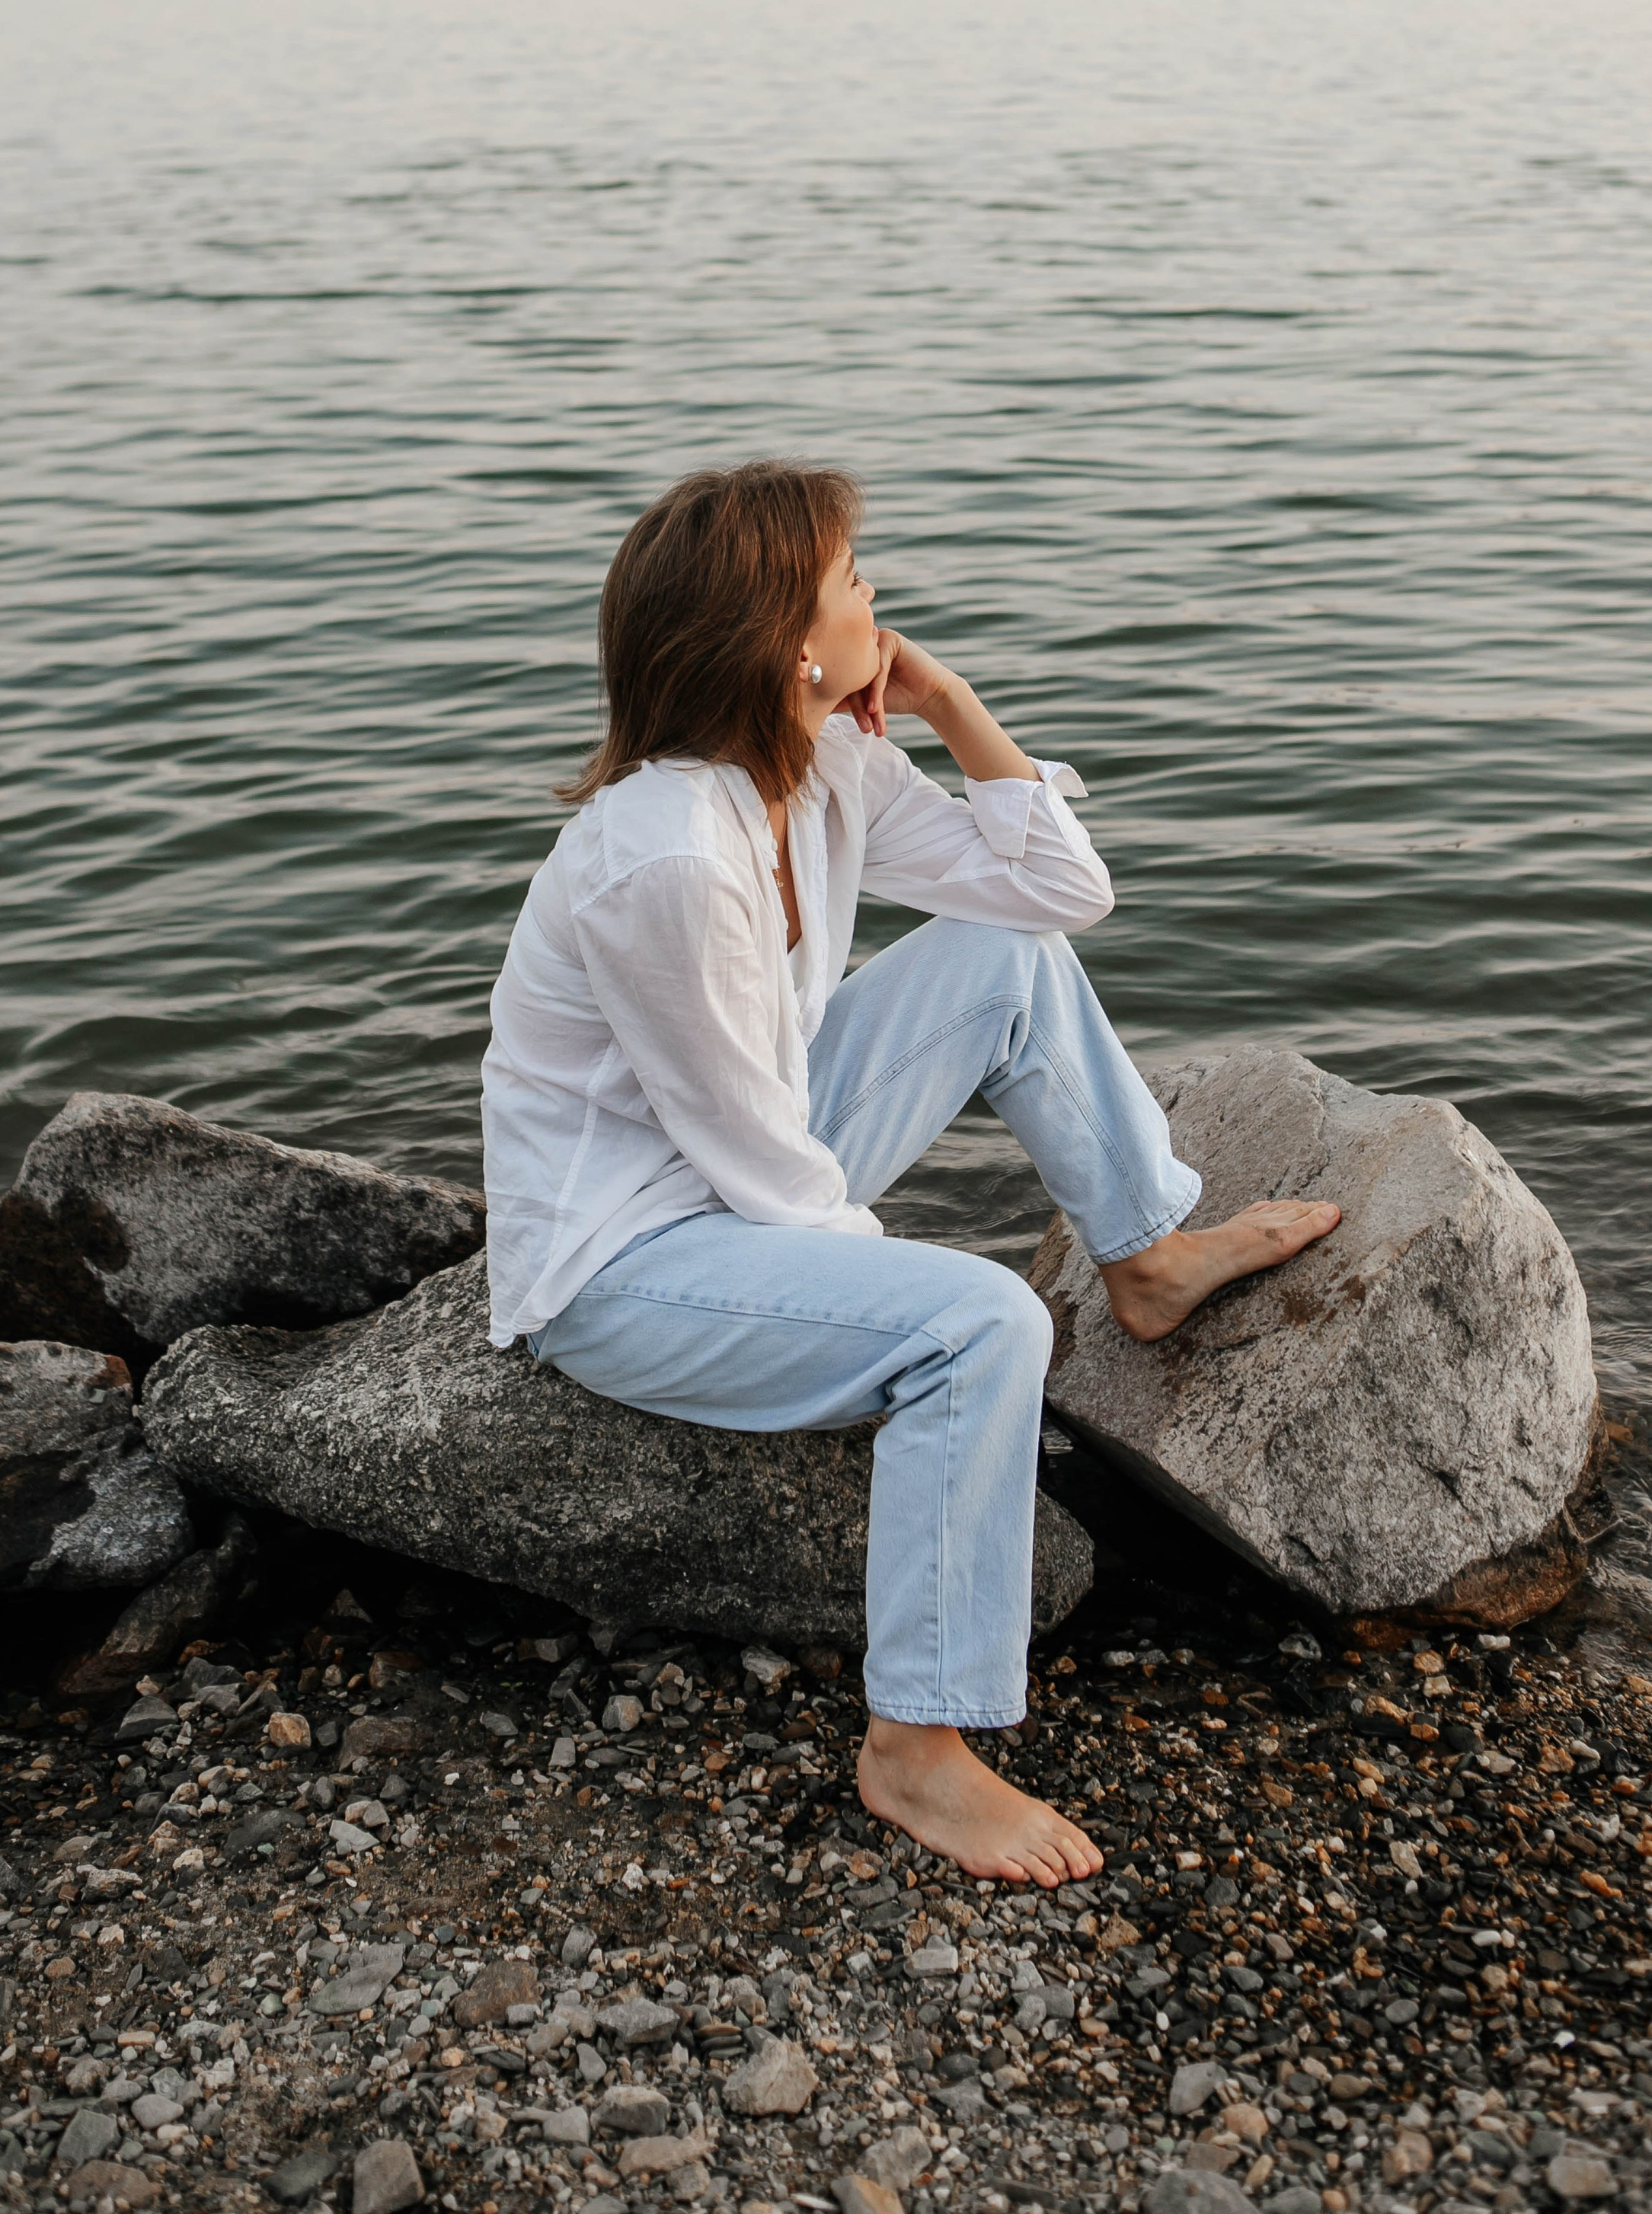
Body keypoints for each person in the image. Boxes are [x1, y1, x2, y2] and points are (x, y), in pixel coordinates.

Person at [481, 463, 1338, 1883]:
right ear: (790, 649)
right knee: (980, 1321)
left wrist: (943, 702)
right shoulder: (670, 861)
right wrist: (916, 1317)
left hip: (730, 1162)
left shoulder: (814, 766)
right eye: (853, 581)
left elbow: (1063, 896)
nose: (879, 592)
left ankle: (1145, 1256)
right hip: (626, 1260)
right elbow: (767, 1174)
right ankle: (918, 1750)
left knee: (1006, 959)